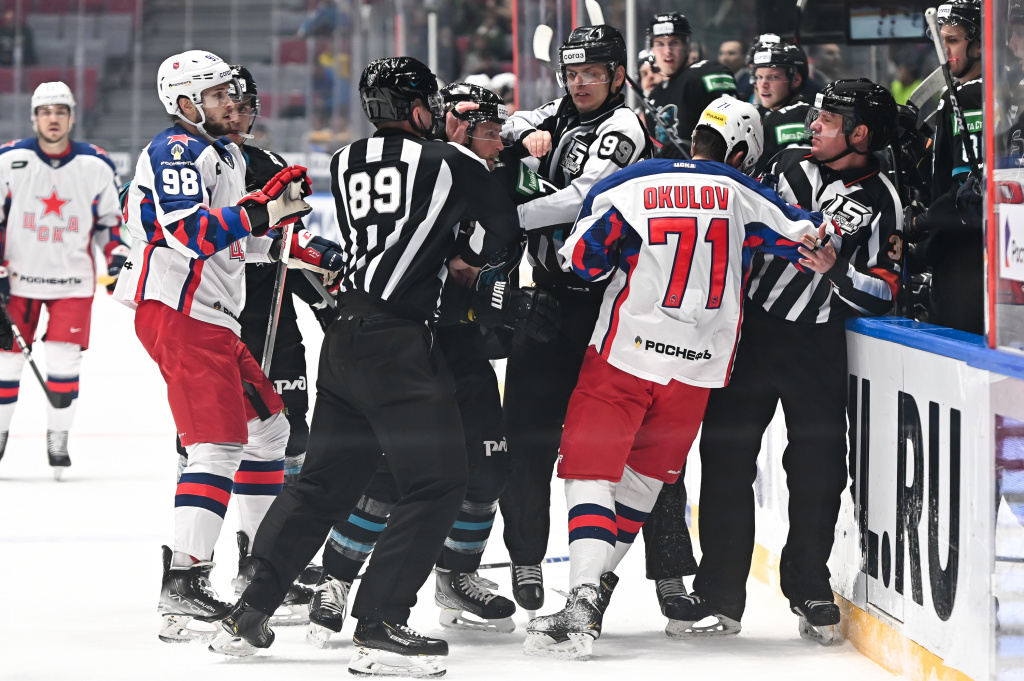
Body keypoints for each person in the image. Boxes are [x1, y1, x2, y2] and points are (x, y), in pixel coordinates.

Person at [217, 57, 521, 678]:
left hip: (344, 336)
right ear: (417, 108)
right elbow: (501, 232)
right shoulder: (450, 161)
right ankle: (380, 622)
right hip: (399, 344)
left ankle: (250, 608)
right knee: (439, 481)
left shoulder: (344, 160)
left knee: (322, 484)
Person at [523, 97, 826, 660]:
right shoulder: (742, 191)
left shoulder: (632, 183)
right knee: (643, 480)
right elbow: (810, 240)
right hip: (698, 369)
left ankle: (583, 595)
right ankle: (594, 591)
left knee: (590, 469)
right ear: (741, 153)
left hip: (625, 354)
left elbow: (581, 260)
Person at [303, 82, 560, 646]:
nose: (495, 139)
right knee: (388, 474)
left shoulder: (504, 173)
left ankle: (456, 577)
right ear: (450, 124)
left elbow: (539, 209)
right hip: (416, 344)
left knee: (487, 470)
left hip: (467, 349)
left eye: (497, 130)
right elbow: (418, 275)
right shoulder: (427, 174)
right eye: (483, 129)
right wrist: (494, 301)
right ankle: (337, 579)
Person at [677, 79, 902, 646]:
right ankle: (719, 593)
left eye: (829, 119)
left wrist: (835, 270)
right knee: (725, 460)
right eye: (817, 115)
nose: (814, 124)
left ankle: (809, 586)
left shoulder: (884, 199)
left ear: (861, 134)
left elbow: (884, 290)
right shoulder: (783, 165)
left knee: (818, 471)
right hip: (750, 335)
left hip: (816, 345)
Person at [112, 49, 327, 643]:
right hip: (180, 312)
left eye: (233, 92)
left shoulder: (224, 155)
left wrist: (299, 246)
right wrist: (259, 209)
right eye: (218, 95)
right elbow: (190, 234)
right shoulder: (177, 150)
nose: (233, 103)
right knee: (217, 445)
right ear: (185, 104)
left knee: (271, 433)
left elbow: (235, 243)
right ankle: (183, 580)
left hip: (213, 317)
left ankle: (259, 566)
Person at [496, 24, 650, 614]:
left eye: (591, 73)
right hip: (547, 299)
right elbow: (507, 123)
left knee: (620, 446)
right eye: (572, 73)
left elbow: (586, 197)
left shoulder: (624, 126)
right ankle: (526, 557)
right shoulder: (560, 112)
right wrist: (524, 132)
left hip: (607, 307)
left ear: (617, 76)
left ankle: (659, 574)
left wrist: (511, 217)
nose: (579, 83)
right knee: (525, 436)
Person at [0, 81, 122, 477]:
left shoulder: (95, 164)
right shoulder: (9, 159)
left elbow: (110, 223)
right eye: (45, 112)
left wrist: (116, 259)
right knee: (5, 366)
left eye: (60, 111)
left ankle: (58, 438)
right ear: (34, 118)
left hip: (72, 283)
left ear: (71, 117)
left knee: (64, 363)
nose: (53, 118)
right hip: (15, 282)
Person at [909, 0, 984, 334]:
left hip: (966, 259)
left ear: (979, 45)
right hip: (961, 253)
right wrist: (916, 144)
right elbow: (944, 169)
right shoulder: (956, 94)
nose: (945, 51)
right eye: (941, 41)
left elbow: (966, 192)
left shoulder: (971, 97)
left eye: (952, 40)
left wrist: (916, 224)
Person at [644, 12, 737, 156]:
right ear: (652, 49)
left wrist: (702, 152)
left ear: (687, 45)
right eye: (660, 44)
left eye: (674, 43)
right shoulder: (653, 97)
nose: (667, 51)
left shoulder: (706, 74)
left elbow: (734, 123)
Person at [750, 37, 812, 176]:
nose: (763, 85)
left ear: (796, 79)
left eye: (773, 77)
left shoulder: (787, 119)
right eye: (759, 77)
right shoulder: (810, 112)